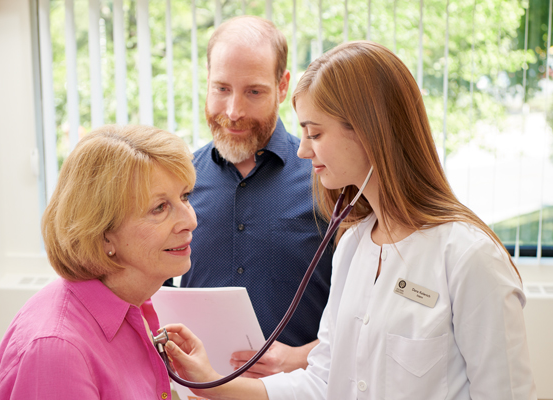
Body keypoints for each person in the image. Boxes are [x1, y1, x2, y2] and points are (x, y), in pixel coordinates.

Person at [162, 41, 537, 399]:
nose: (304, 150)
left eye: (316, 133)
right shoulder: (354, 243)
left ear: (371, 131)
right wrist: (210, 382)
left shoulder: (469, 257)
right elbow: (323, 383)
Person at [0, 125, 197, 399]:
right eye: (159, 208)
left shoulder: (133, 303)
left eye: (185, 196)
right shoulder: (57, 352)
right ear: (104, 235)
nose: (191, 221)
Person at [178, 15, 333, 377]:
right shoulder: (178, 182)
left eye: (254, 91)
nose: (233, 112)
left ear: (282, 87)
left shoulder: (328, 180)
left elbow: (365, 316)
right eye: (221, 89)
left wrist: (302, 356)